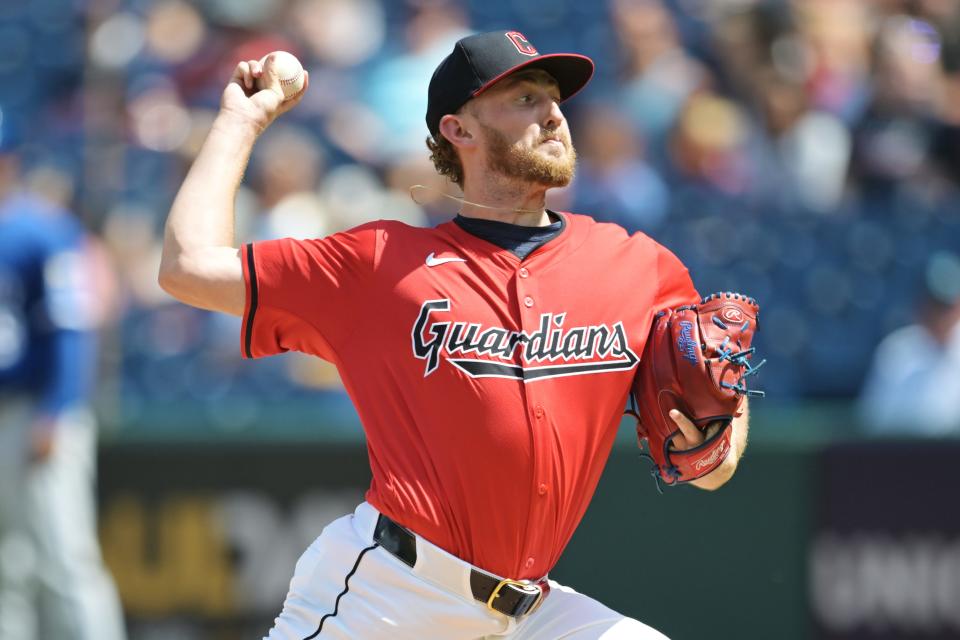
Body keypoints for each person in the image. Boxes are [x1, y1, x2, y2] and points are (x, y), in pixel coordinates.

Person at [159, 31, 750, 639]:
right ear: (458, 131)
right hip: (391, 597)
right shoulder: (381, 264)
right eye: (523, 98)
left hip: (531, 612)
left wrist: (718, 436)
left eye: (554, 97)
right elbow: (187, 266)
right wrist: (239, 121)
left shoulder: (636, 267)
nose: (552, 113)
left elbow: (714, 445)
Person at [0, 122, 127, 639]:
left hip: (36, 409)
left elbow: (73, 329)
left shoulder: (43, 229)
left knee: (64, 556)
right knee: (8, 562)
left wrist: (58, 408)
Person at [858, 251, 960, 435]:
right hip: (906, 459)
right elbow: (873, 423)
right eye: (934, 304)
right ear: (920, 305)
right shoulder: (896, 351)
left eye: (946, 305)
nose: (940, 314)